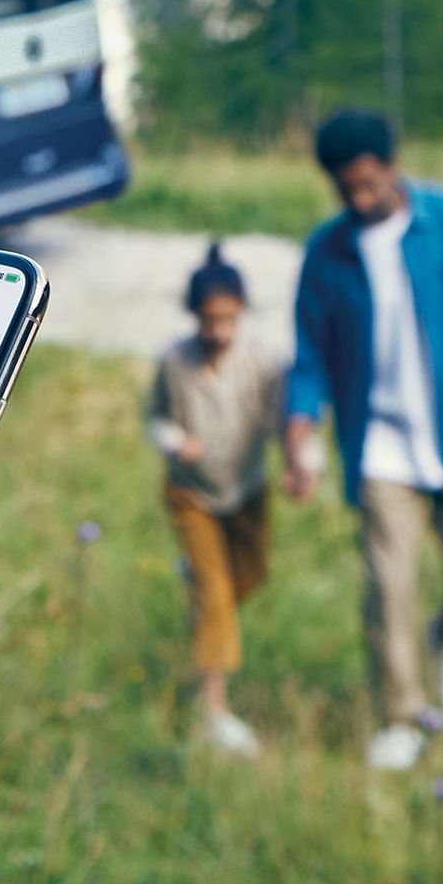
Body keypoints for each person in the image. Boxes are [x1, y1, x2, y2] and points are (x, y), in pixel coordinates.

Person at [279, 110, 443, 773]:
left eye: (370, 184)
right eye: (347, 191)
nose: (361, 201)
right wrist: (300, 439)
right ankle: (401, 716)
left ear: (393, 166)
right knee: (388, 587)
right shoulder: (327, 254)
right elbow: (309, 358)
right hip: (381, 449)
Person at [145, 241, 284, 757]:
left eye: (228, 320)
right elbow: (155, 417)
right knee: (218, 598)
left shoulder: (263, 361)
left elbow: (282, 419)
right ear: (195, 316)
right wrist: (175, 441)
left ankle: (206, 599)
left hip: (245, 490)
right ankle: (213, 709)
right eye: (210, 320)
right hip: (191, 494)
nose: (219, 332)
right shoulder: (175, 362)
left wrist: (297, 454)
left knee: (251, 575)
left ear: (242, 314)